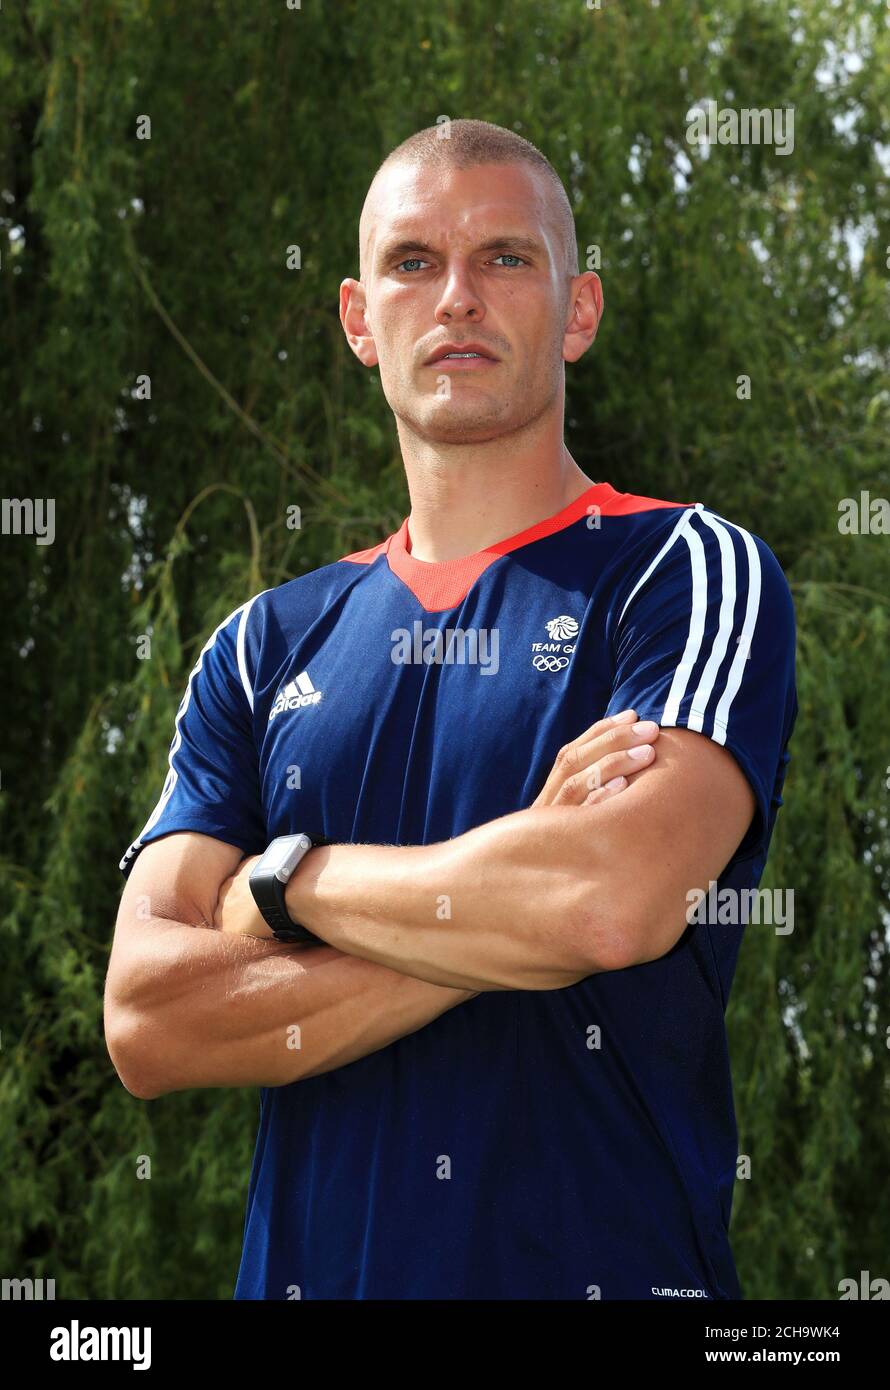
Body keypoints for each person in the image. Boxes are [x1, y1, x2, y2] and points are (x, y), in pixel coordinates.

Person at [105, 119, 798, 1300]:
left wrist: (282, 886)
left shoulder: (685, 571)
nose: (458, 298)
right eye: (414, 261)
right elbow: (147, 1018)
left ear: (576, 310)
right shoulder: (260, 647)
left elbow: (606, 903)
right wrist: (501, 906)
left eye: (505, 259)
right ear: (357, 321)